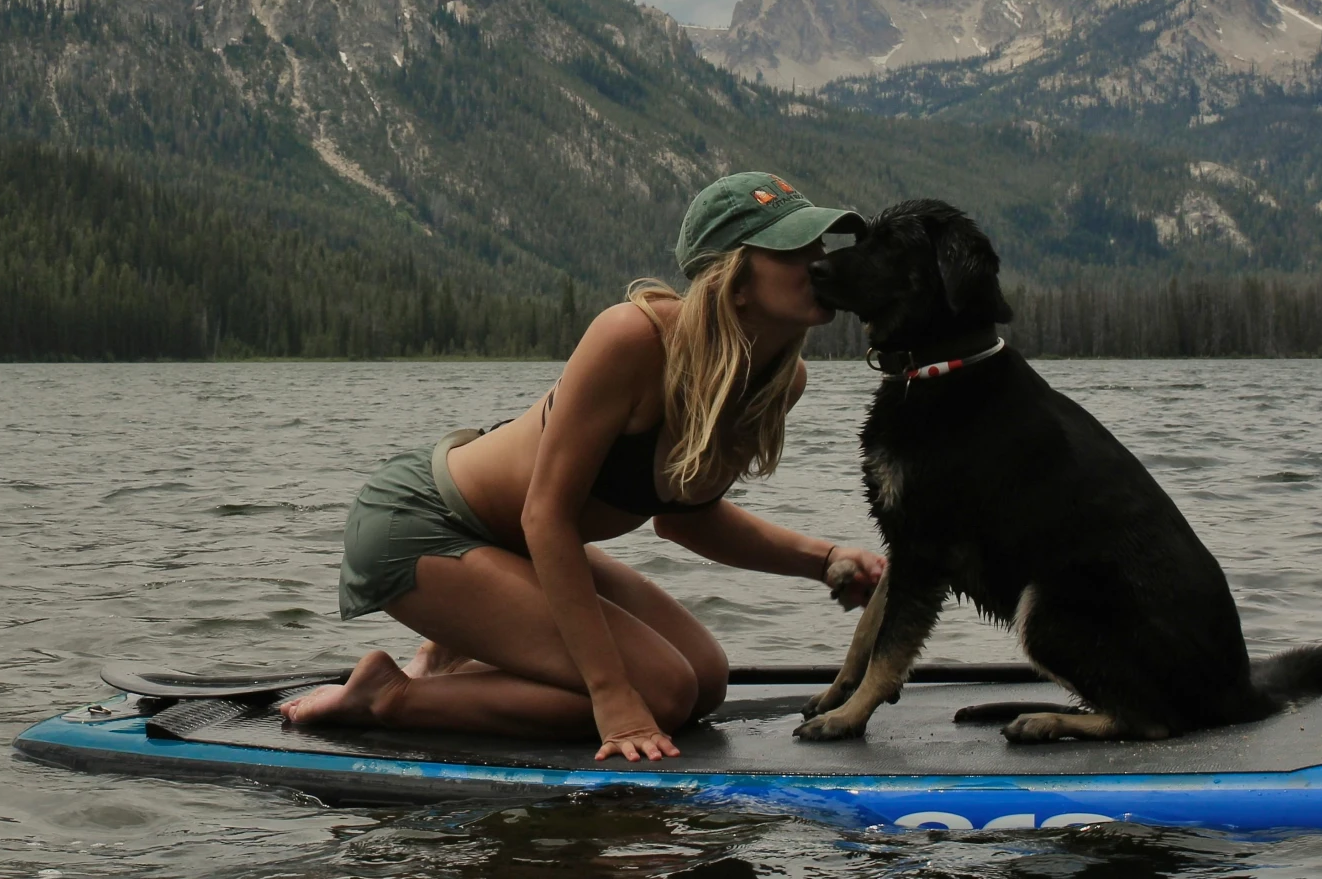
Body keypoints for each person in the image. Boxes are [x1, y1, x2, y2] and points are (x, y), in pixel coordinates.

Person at [282, 171, 888, 762]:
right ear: (734, 281)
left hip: (510, 541)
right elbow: (546, 516)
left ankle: (453, 651)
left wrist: (824, 558)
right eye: (794, 252)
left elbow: (686, 520)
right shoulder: (635, 337)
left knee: (704, 679)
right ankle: (389, 695)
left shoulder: (780, 379)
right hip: (421, 525)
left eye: (820, 247)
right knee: (661, 691)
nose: (821, 265)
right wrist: (611, 696)